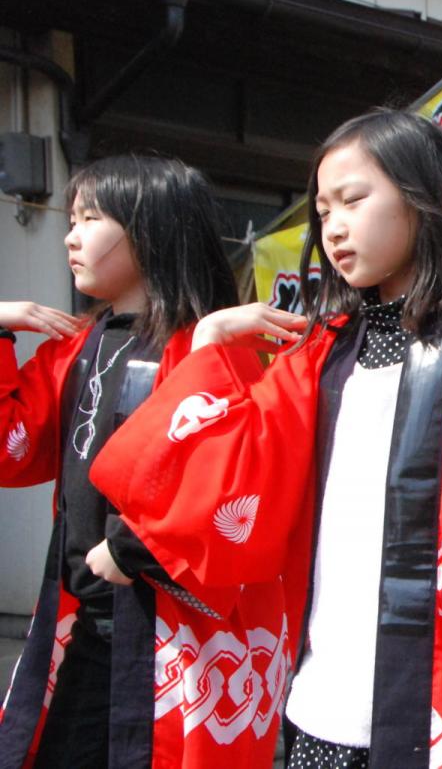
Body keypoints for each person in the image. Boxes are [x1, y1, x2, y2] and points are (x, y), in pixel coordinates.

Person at [90, 109, 442, 768]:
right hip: (323, 706)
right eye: (322, 209)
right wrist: (210, 344)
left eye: (354, 199)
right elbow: (232, 482)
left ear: (435, 198)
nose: (333, 225)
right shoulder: (319, 353)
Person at [0, 155, 275, 768]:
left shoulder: (207, 346)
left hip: (164, 631)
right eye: (72, 219)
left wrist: (130, 549)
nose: (70, 235)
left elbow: (228, 485)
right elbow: (11, 449)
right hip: (80, 620)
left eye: (91, 218)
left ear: (151, 229)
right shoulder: (74, 347)